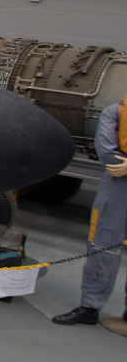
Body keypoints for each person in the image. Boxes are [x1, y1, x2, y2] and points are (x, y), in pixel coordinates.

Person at [53, 94, 127, 325]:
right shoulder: (114, 112)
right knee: (102, 246)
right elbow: (108, 155)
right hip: (117, 191)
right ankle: (89, 307)